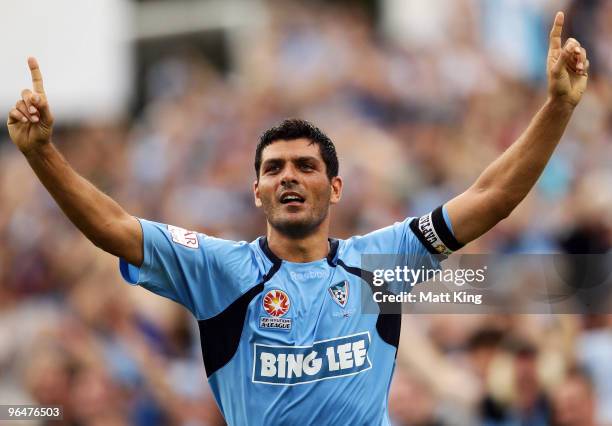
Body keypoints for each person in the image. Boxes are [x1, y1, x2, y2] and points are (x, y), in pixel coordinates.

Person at [7, 12, 588, 426]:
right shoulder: (219, 271)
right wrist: (41, 153)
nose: (289, 176)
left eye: (306, 166)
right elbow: (113, 226)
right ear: (256, 191)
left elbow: (491, 195)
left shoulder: (380, 265)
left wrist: (558, 107)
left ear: (335, 188)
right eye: (274, 168)